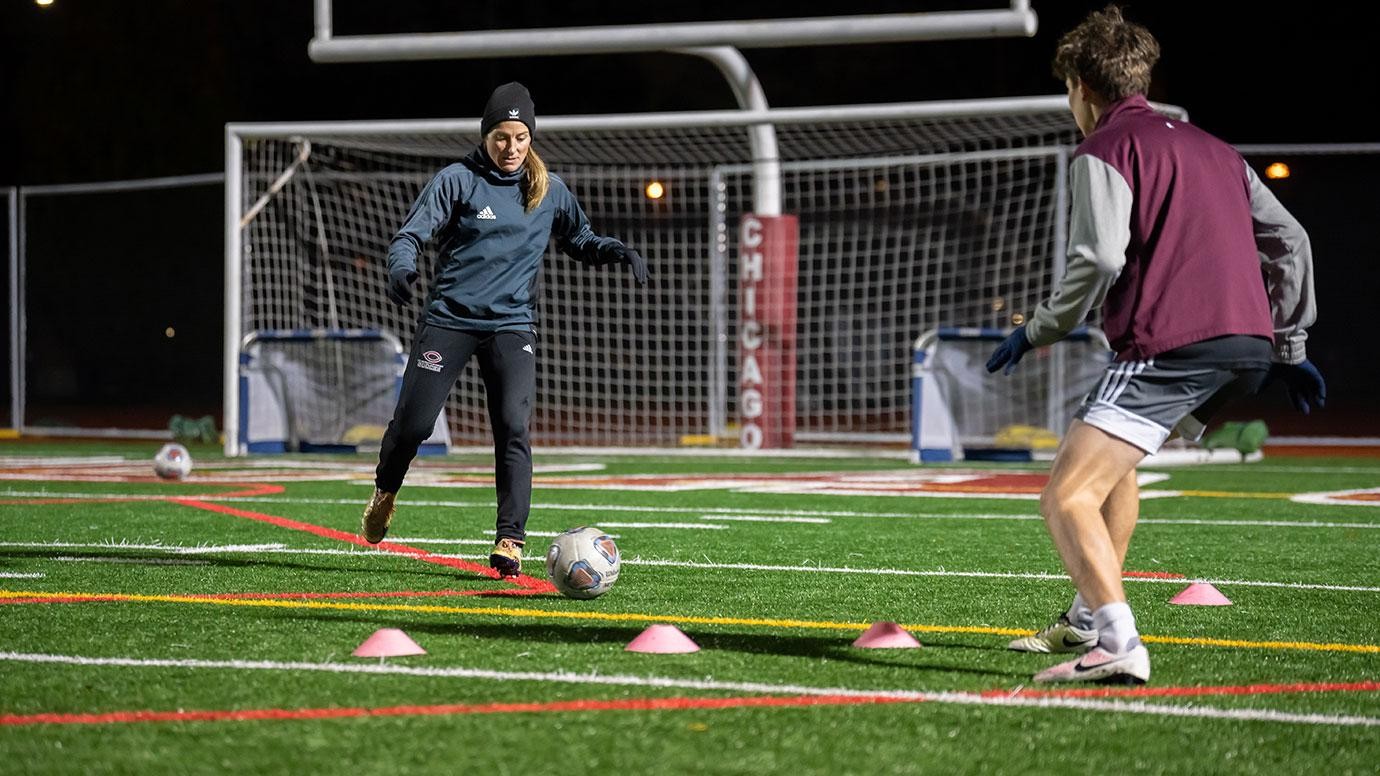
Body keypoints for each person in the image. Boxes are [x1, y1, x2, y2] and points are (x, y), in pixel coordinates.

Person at [985, 5, 1323, 684]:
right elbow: (1291, 240)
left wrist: (1036, 329)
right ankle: (1085, 618)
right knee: (1115, 470)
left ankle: (1117, 642)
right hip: (1247, 348)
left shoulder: (1104, 149)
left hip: (1170, 346)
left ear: (1082, 85)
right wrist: (1289, 346)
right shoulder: (1216, 148)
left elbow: (1101, 258)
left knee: (1066, 496)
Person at [361, 82, 648, 578]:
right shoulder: (458, 180)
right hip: (449, 319)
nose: (510, 147)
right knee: (413, 425)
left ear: (530, 137)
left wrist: (614, 250)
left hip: (512, 325)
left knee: (513, 427)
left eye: (519, 137)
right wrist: (401, 268)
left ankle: (510, 538)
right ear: (485, 135)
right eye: (500, 136)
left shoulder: (548, 189)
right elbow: (411, 234)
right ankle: (385, 491)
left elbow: (579, 238)